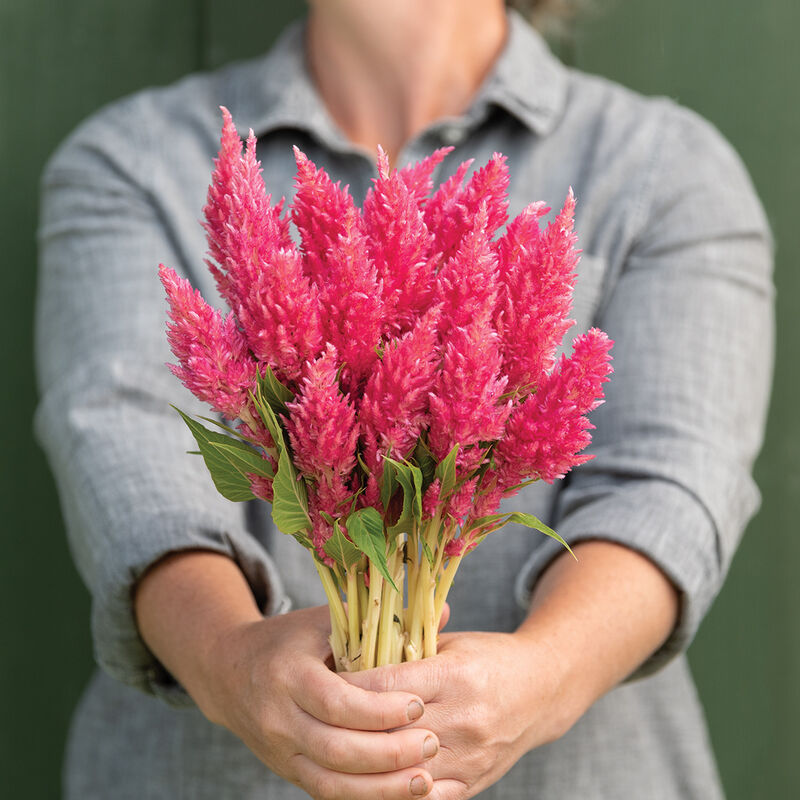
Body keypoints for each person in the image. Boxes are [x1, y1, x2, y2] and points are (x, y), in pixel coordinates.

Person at [35, 1, 774, 797]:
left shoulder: (664, 165)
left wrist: (546, 673)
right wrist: (229, 660)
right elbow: (125, 454)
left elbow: (671, 485)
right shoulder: (136, 159)